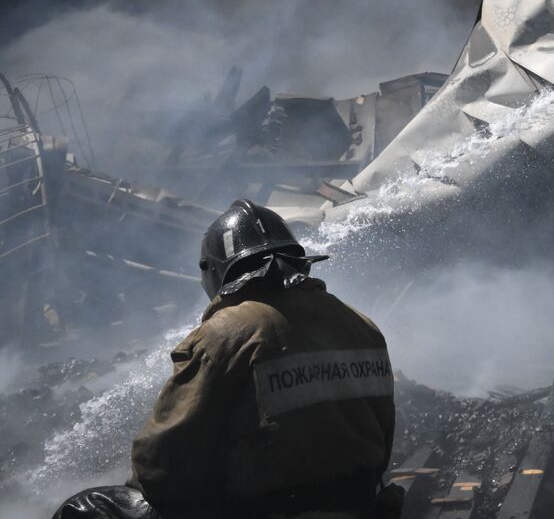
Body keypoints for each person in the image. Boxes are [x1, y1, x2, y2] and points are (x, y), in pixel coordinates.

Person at [52, 200, 398, 519]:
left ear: (215, 271)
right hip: (361, 503)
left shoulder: (226, 333)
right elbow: (383, 439)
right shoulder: (360, 324)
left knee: (85, 509)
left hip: (268, 511)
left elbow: (162, 461)